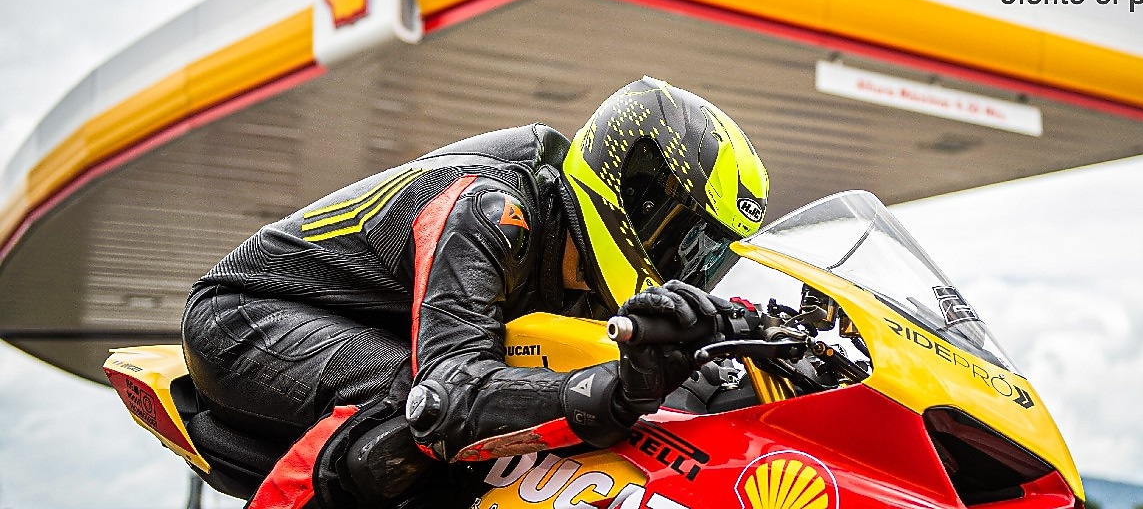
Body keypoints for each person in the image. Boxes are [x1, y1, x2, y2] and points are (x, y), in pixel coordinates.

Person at [180, 76, 770, 508]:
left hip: (379, 327)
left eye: (710, 255)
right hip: (252, 314)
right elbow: (446, 398)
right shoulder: (494, 207)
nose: (689, 268)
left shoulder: (588, 273)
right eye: (685, 241)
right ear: (635, 194)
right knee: (423, 416)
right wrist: (614, 390)